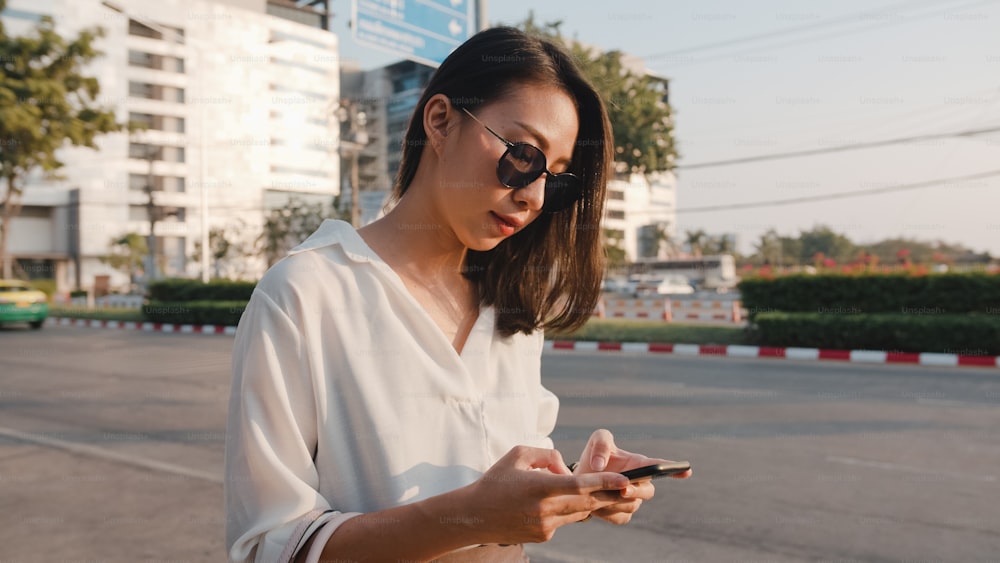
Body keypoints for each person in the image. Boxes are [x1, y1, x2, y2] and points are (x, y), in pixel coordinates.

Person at [224, 26, 691, 563]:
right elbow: (268, 545)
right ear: (441, 120)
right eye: (523, 156)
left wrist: (578, 483)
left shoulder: (513, 307)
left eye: (556, 180)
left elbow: (496, 479)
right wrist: (469, 516)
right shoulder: (307, 293)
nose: (535, 195)